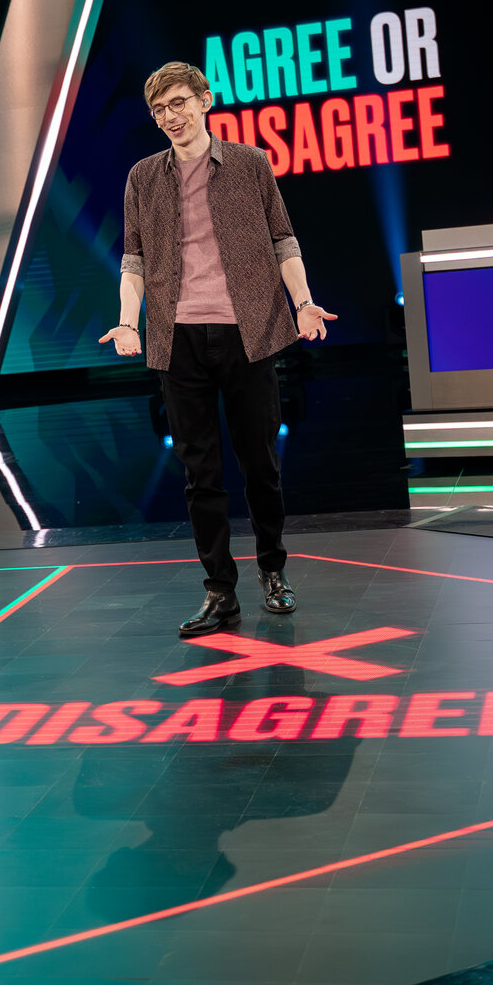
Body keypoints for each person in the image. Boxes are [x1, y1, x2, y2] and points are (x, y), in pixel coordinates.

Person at [99, 61, 335, 637]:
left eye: (179, 102)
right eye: (160, 110)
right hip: (177, 339)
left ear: (205, 100)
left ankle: (273, 571)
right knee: (199, 474)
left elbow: (283, 239)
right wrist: (128, 321)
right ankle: (219, 592)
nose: (170, 116)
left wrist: (304, 303)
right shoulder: (143, 177)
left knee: (261, 464)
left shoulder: (250, 163)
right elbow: (133, 259)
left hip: (247, 332)